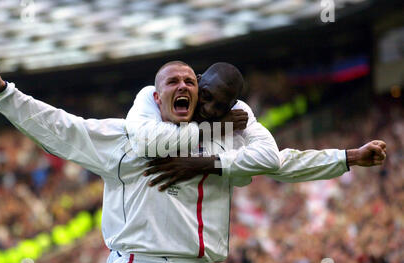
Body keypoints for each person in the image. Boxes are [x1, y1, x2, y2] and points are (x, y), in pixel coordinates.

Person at [0, 63, 386, 263]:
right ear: (157, 97)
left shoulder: (225, 138)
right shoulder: (126, 136)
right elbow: (63, 128)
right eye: (173, 81)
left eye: (192, 80)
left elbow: (282, 162)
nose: (184, 86)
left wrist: (347, 157)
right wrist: (5, 94)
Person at [125, 62, 387, 190]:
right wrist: (215, 129)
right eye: (205, 96)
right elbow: (147, 142)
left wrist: (349, 157)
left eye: (219, 105)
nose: (208, 108)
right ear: (199, 83)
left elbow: (274, 160)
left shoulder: (238, 117)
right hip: (142, 259)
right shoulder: (155, 99)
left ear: (232, 105)